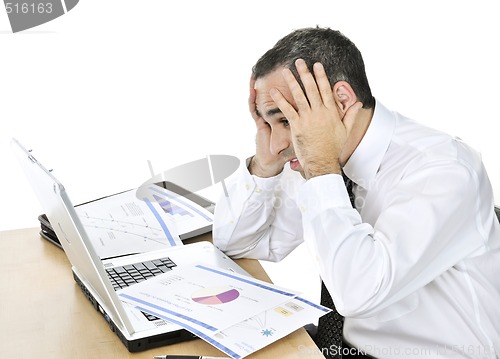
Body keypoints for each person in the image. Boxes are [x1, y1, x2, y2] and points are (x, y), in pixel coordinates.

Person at [212, 26, 500, 358]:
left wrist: (321, 168)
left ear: (343, 101)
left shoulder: (443, 170)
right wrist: (263, 164)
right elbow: (235, 243)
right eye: (267, 123)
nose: (279, 144)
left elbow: (357, 294)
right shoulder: (316, 156)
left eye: (287, 121)